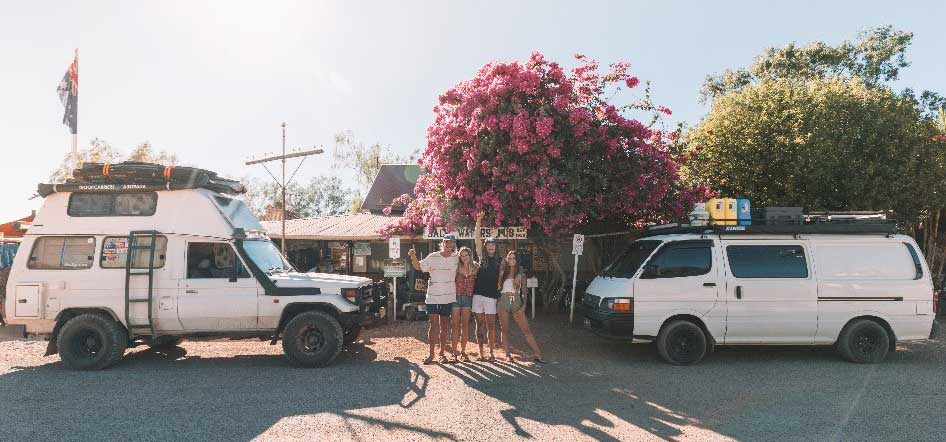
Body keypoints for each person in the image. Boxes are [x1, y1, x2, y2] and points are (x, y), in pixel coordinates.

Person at [408, 234, 459, 364]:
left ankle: (442, 354)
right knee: (433, 326)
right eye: (446, 242)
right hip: (433, 297)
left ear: (454, 244)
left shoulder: (457, 258)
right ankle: (431, 354)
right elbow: (418, 266)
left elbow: (468, 265)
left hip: (448, 297)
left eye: (451, 243)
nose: (448, 245)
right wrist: (413, 256)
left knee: (444, 326)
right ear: (442, 243)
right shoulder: (433, 257)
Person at [497, 250, 545, 363]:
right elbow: (498, 287)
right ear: (507, 260)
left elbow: (524, 292)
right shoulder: (503, 272)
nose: (512, 260)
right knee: (505, 330)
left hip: (516, 301)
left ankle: (538, 354)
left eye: (514, 258)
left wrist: (523, 306)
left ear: (517, 260)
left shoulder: (521, 274)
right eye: (509, 258)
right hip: (503, 300)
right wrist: (500, 275)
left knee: (526, 330)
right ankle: (507, 355)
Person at [472, 213, 501, 361]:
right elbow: (477, 238)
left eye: (493, 245)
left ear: (495, 247)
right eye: (488, 244)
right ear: (485, 247)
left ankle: (491, 353)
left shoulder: (500, 261)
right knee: (479, 324)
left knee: (491, 326)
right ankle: (481, 352)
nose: (491, 246)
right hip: (478, 295)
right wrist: (478, 220)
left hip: (491, 297)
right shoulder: (481, 258)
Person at [452, 246, 478, 362]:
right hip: (456, 297)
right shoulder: (456, 266)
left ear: (470, 255)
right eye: (461, 256)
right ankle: (454, 352)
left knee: (465, 326)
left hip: (468, 298)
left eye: (466, 255)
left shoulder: (475, 267)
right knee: (455, 325)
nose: (464, 258)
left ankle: (463, 352)